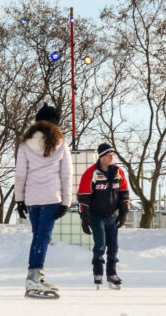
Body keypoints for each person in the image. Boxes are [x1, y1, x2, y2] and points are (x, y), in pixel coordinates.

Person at [14, 104, 73, 299]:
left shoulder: (25, 144)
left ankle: (35, 276)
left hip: (32, 198)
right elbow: (67, 175)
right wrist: (66, 202)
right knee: (43, 237)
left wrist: (19, 200)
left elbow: (20, 174)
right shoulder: (61, 143)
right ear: (56, 122)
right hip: (51, 197)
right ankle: (34, 276)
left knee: (38, 236)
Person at [77, 142, 131, 289]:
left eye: (112, 155)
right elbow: (83, 195)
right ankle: (98, 273)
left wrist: (124, 212)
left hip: (112, 215)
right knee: (100, 245)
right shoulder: (92, 173)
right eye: (108, 155)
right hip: (96, 215)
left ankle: (112, 273)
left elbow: (124, 193)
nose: (111, 157)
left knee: (113, 246)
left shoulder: (118, 172)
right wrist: (84, 217)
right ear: (101, 157)